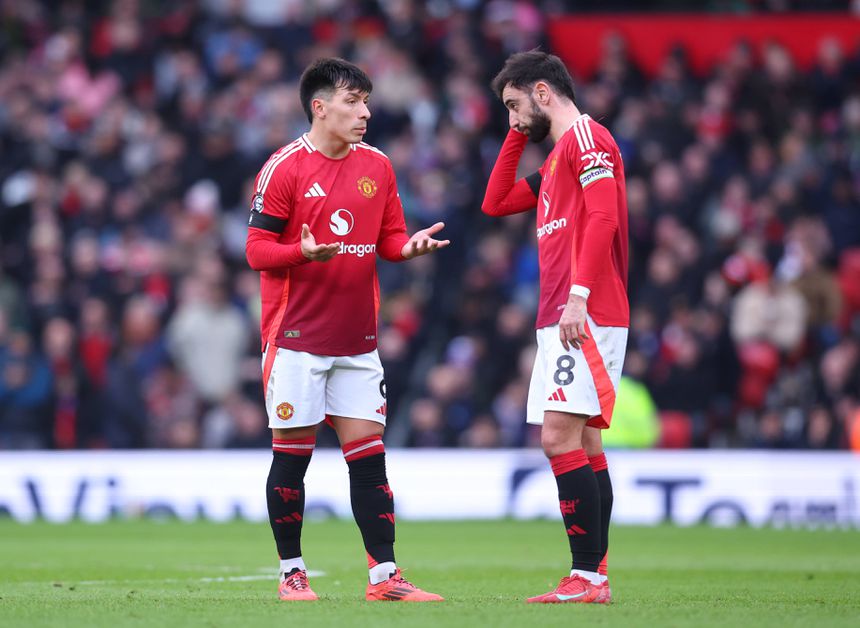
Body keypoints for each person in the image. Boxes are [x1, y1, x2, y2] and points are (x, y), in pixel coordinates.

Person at [245, 57, 448, 603]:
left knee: (369, 457)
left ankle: (385, 577)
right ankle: (292, 571)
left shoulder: (378, 165)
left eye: (366, 101)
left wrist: (410, 249)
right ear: (320, 107)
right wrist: (300, 253)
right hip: (296, 342)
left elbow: (389, 240)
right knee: (292, 456)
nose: (365, 112)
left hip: (357, 343)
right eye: (353, 102)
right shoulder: (284, 168)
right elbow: (256, 250)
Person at [481, 50, 630, 604]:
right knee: (583, 440)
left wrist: (579, 296)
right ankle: (595, 575)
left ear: (543, 92)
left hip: (583, 311)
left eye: (516, 105)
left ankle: (587, 576)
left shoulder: (590, 139)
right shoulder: (559, 157)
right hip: (561, 314)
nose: (514, 118)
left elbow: (604, 217)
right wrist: (518, 132)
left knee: (556, 437)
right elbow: (495, 202)